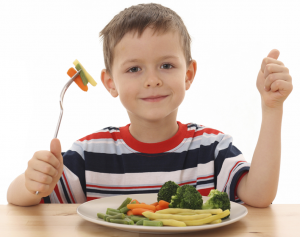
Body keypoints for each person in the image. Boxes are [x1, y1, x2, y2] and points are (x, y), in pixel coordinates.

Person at [7, 3, 293, 207]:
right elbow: (18, 199)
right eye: (134, 69)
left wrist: (272, 109)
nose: (152, 80)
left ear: (188, 74)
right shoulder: (88, 155)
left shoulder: (212, 149)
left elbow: (259, 196)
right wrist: (33, 183)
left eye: (166, 65)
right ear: (110, 83)